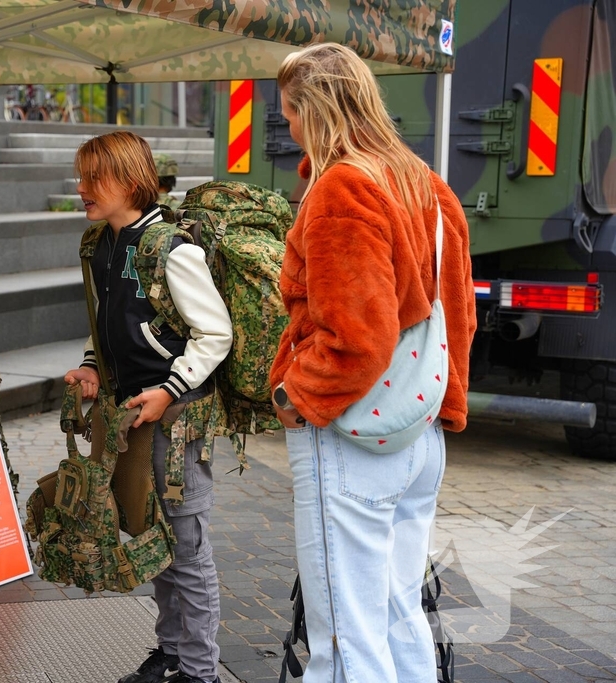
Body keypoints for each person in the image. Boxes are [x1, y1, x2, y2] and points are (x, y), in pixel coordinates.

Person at [268, 43, 476, 682]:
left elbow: (356, 337)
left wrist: (293, 397)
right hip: (418, 432)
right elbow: (460, 316)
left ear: (314, 107)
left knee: (345, 642)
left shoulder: (342, 187)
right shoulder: (425, 182)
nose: (290, 127)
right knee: (399, 614)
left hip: (353, 434)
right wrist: (446, 406)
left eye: (291, 114)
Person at [63, 131, 232, 683]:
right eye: (82, 176)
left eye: (95, 178)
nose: (83, 188)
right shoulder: (101, 244)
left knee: (186, 546)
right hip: (133, 416)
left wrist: (171, 389)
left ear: (131, 180)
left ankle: (201, 671)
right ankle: (171, 654)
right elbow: (109, 325)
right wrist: (92, 366)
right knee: (152, 535)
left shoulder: (169, 248)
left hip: (177, 420)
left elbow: (215, 334)